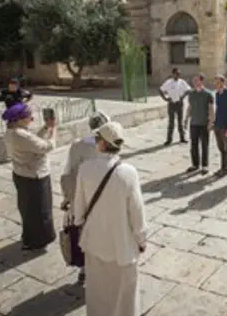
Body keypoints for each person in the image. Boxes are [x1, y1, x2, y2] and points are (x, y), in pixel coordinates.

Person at [74, 121, 147, 316]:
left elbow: (78, 212)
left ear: (102, 144)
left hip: (94, 244)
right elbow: (137, 213)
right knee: (125, 296)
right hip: (122, 245)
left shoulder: (85, 169)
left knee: (98, 293)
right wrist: (141, 239)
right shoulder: (129, 172)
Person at [60, 110, 110, 283]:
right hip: (102, 198)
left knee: (82, 233)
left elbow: (67, 174)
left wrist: (68, 198)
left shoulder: (77, 145)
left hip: (81, 197)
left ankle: (84, 269)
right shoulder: (108, 144)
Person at [2, 103, 57, 250]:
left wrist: (45, 128)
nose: (31, 119)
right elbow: (46, 146)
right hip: (35, 176)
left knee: (27, 209)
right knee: (40, 210)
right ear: (19, 119)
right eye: (28, 116)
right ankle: (38, 241)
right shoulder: (20, 135)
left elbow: (32, 141)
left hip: (22, 175)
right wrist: (53, 131)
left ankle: (29, 237)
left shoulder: (13, 132)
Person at [184, 74, 214, 174]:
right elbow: (190, 107)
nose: (194, 82)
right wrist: (186, 119)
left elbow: (211, 109)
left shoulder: (208, 94)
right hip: (194, 123)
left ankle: (205, 166)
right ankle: (195, 165)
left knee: (204, 145)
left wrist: (211, 122)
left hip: (204, 123)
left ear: (201, 81)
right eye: (194, 81)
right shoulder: (191, 94)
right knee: (193, 145)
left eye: (196, 80)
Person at [159, 68, 191, 145]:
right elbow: (160, 89)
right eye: (176, 73)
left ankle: (182, 138)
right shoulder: (168, 82)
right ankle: (169, 139)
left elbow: (188, 90)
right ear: (173, 74)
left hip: (179, 104)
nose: (178, 75)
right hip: (171, 104)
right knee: (171, 122)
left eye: (179, 74)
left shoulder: (182, 82)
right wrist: (165, 98)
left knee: (180, 122)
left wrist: (183, 96)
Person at [212, 75, 227, 178]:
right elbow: (218, 109)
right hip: (217, 125)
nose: (215, 84)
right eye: (215, 82)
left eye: (217, 82)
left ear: (222, 82)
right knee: (221, 148)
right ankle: (222, 167)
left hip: (225, 126)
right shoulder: (217, 94)